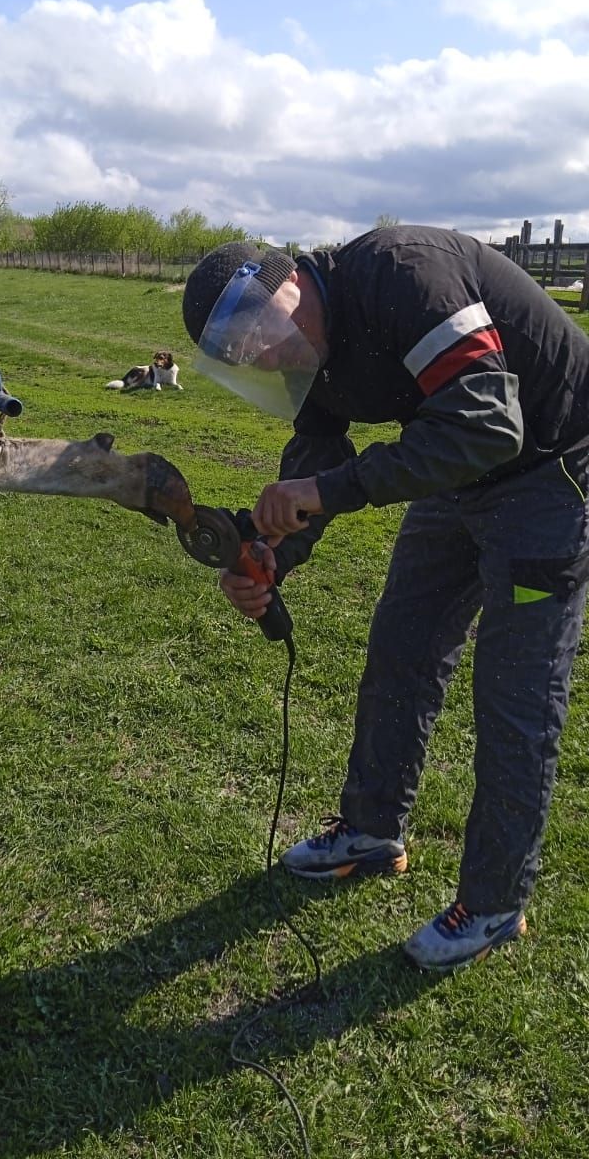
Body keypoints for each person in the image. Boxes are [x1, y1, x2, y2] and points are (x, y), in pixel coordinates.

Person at [181, 226, 589, 972]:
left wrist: (330, 491)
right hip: (459, 466)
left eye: (261, 332)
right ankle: (371, 831)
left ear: (292, 281)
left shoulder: (405, 276)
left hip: (547, 469)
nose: (265, 355)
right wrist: (276, 554)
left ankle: (494, 902)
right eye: (244, 354)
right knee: (402, 645)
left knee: (515, 691)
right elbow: (317, 455)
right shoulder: (314, 345)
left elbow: (492, 421)